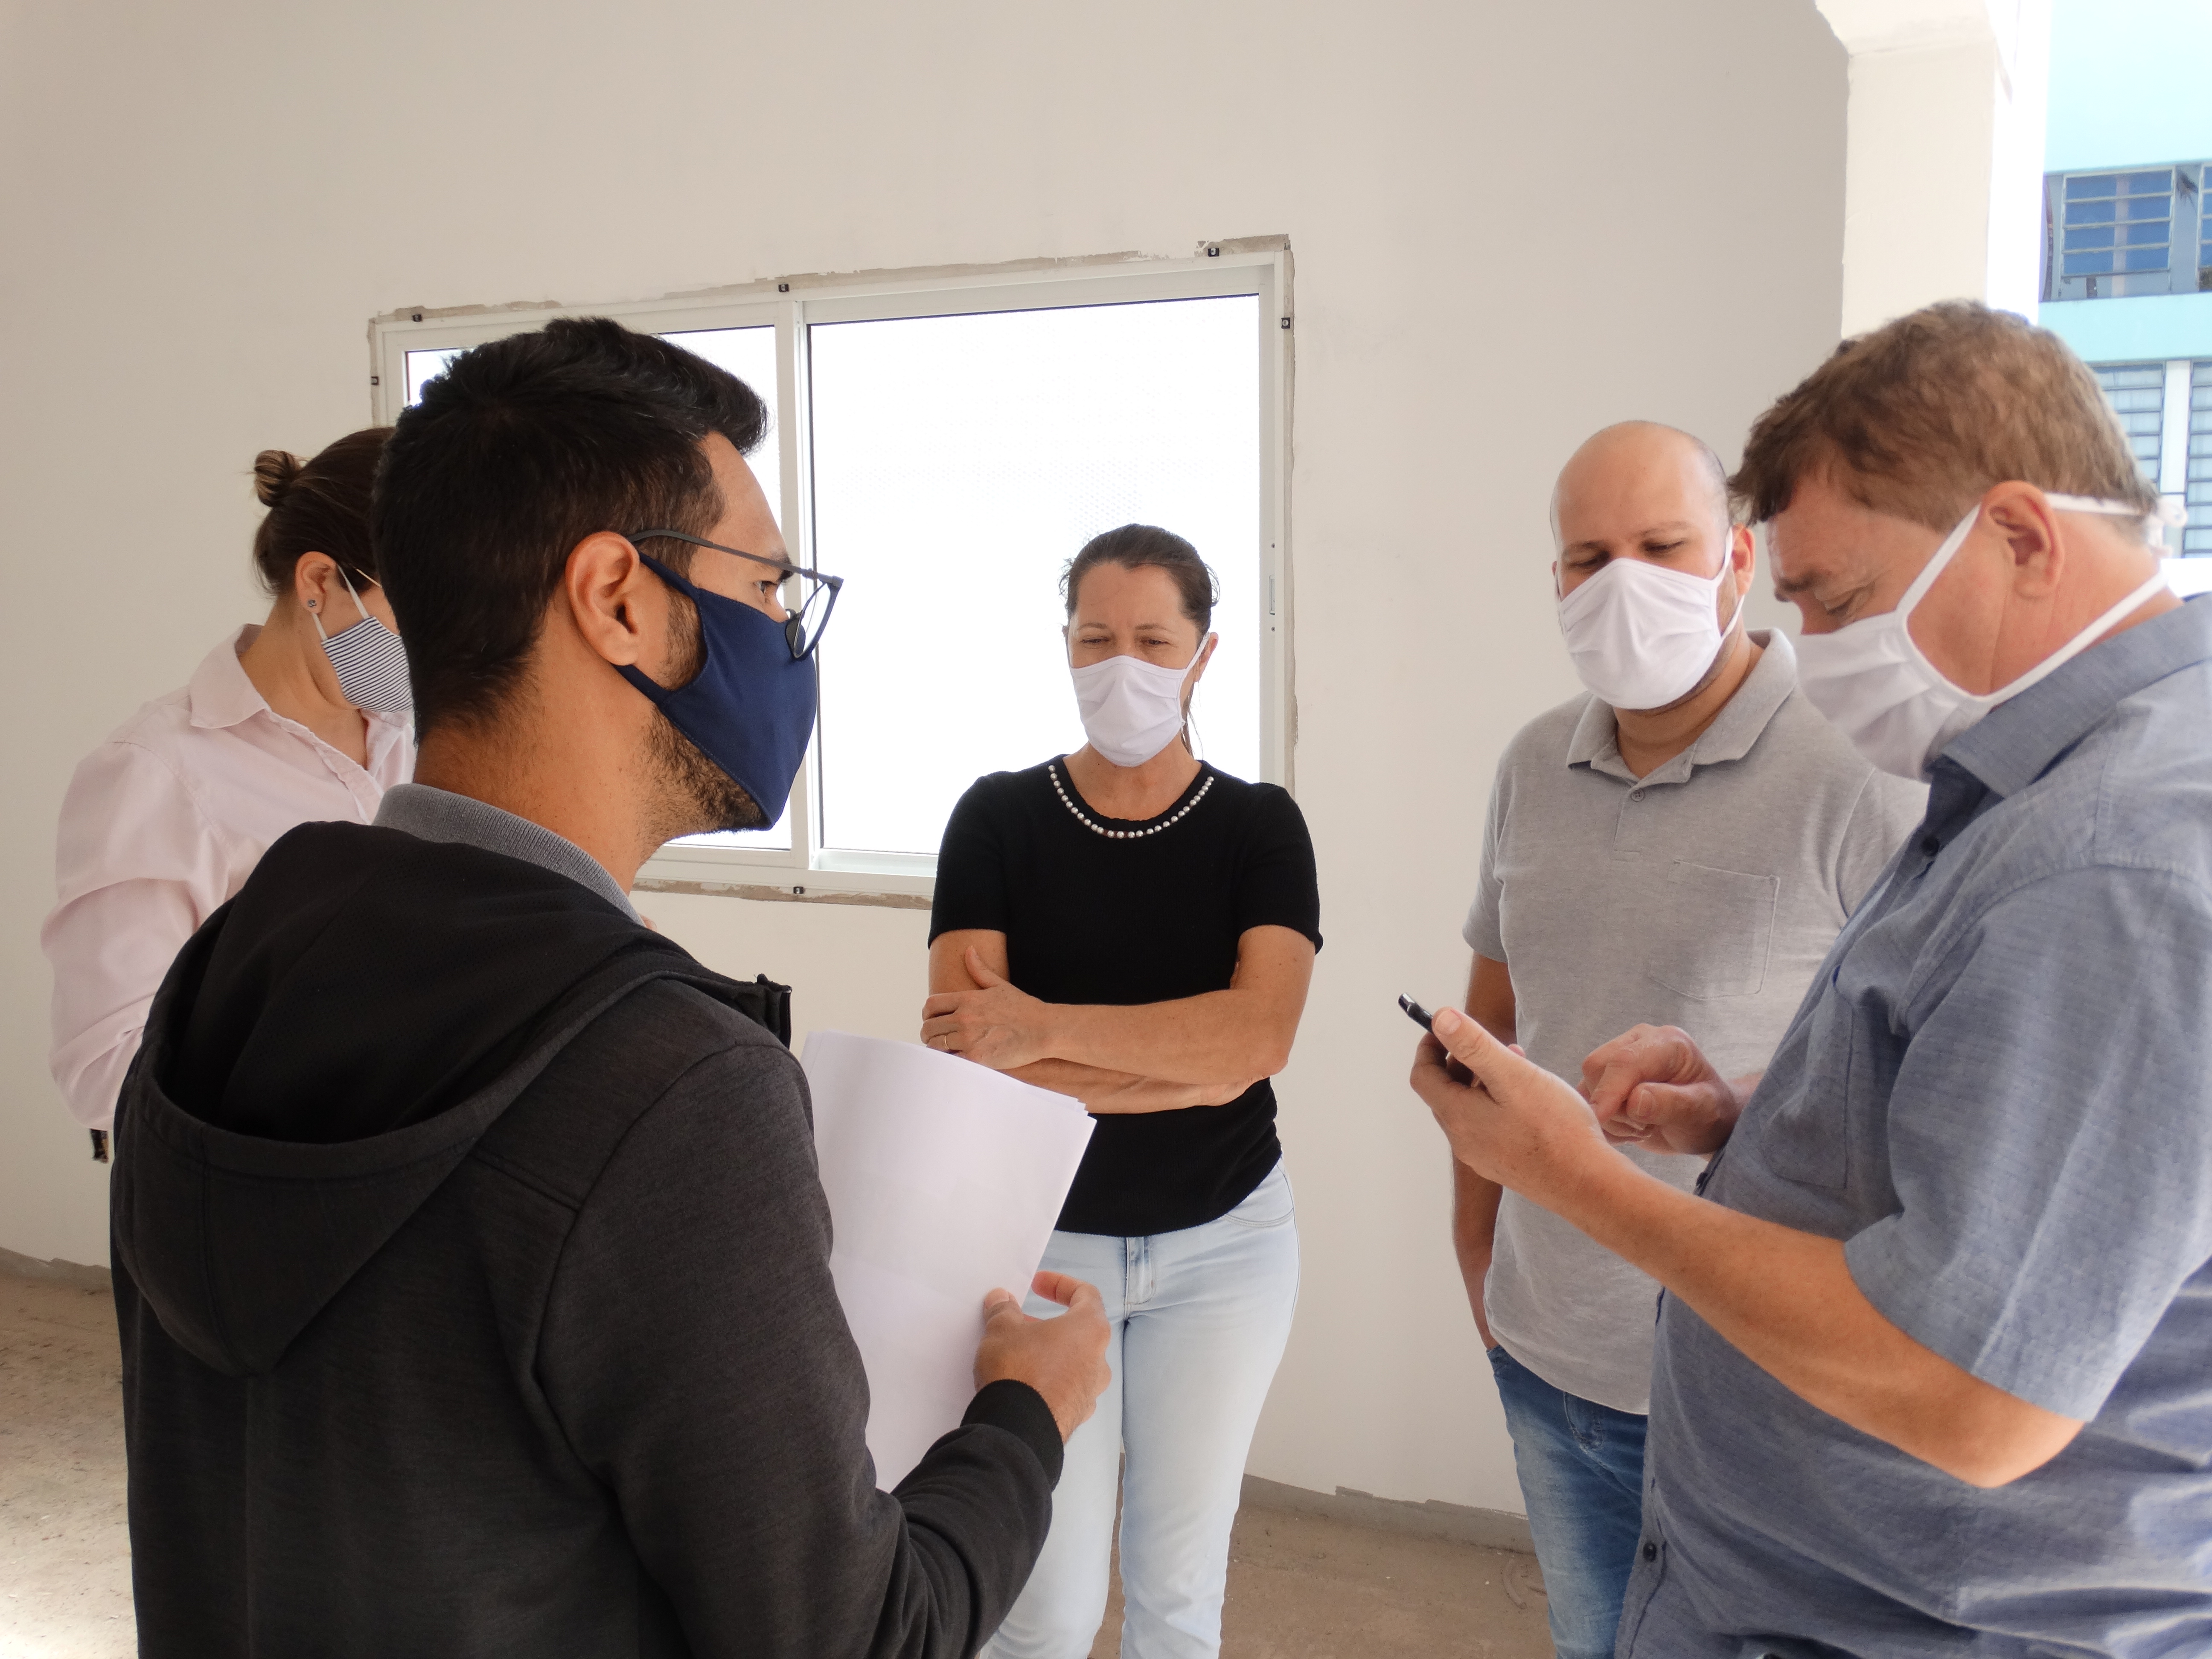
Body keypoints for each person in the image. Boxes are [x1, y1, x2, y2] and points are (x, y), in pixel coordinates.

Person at [110, 317, 1111, 1658]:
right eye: (769, 585)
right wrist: (1026, 1417)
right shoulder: (671, 1087)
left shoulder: (228, 965)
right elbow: (859, 1635)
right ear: (618, 598)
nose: (786, 632)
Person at [1411, 301, 2212, 1657]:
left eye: (1836, 602)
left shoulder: (2111, 866)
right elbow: (1977, 1118)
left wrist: (1582, 1181)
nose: (1821, 647)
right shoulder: (2033, 786)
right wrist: (1747, 1114)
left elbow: (1974, 1393)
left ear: (2020, 539)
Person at [1450, 422, 1923, 1659]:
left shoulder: (1861, 769)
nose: (1623, 584)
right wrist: (1479, 1256)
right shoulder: (1529, 765)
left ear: (1738, 559)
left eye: (1662, 546)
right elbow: (1491, 1030)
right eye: (1587, 558)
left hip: (1756, 1384)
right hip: (1547, 1356)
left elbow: (1917, 1077)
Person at [921, 524, 1320, 1659]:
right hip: (1042, 1250)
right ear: (1065, 647)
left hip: (1228, 1248)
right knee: (1039, 1605)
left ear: (1205, 654)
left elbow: (1258, 1040)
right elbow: (968, 1051)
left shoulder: (1259, 826)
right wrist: (1185, 1062)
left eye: (1153, 640)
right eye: (1096, 639)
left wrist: (1043, 1032)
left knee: (1178, 1590)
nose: (1122, 665)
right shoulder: (997, 817)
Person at [42, 430, 410, 1158]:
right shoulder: (157, 774)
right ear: (319, 582)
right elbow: (106, 1069)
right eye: (423, 616)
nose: (447, 648)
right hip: (264, 1188)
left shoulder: (419, 737)